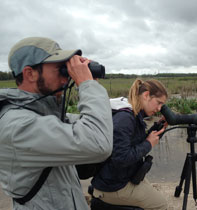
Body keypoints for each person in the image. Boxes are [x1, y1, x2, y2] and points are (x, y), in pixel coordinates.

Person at [0, 37, 113, 209]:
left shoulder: (44, 112)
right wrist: (87, 85)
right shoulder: (17, 125)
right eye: (61, 70)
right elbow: (98, 143)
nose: (65, 78)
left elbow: (91, 123)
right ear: (30, 73)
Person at [91, 79, 168, 210]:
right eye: (158, 103)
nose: (159, 108)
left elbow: (133, 142)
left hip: (117, 178)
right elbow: (120, 158)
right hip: (113, 186)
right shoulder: (125, 119)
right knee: (160, 205)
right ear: (146, 95)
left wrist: (157, 128)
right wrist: (148, 144)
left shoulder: (133, 114)